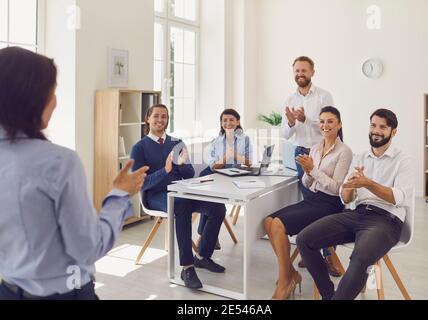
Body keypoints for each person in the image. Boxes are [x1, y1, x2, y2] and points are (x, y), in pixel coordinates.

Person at [0, 47, 148, 300]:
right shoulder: (58, 162)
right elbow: (87, 248)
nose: (55, 101)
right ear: (31, 98)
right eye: (53, 91)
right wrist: (119, 196)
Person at [297, 109, 414, 300]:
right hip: (357, 213)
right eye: (373, 125)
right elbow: (346, 198)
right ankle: (329, 296)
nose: (376, 130)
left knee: (360, 258)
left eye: (382, 127)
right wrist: (350, 187)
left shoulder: (403, 160)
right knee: (304, 240)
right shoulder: (360, 158)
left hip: (386, 220)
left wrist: (368, 183)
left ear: (393, 132)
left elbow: (399, 197)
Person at [130, 104, 226, 290]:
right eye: (156, 116)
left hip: (182, 190)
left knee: (217, 207)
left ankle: (202, 256)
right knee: (180, 204)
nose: (160, 120)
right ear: (148, 118)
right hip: (156, 195)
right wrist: (165, 171)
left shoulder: (177, 142)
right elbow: (139, 184)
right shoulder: (139, 147)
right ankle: (187, 267)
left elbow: (189, 173)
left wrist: (181, 165)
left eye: (164, 117)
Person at [264, 106, 352, 300]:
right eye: (322, 121)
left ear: (339, 124)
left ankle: (285, 281)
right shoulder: (315, 148)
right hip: (312, 199)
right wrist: (307, 172)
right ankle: (290, 275)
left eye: (330, 121)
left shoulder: (344, 152)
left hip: (330, 205)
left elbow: (336, 188)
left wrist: (313, 170)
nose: (325, 125)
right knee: (269, 221)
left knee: (277, 224)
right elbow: (307, 182)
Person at [280, 56, 340, 274]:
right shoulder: (289, 98)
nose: (300, 74)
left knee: (324, 203)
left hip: (324, 153)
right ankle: (310, 250)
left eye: (304, 70)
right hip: (301, 153)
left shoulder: (324, 95)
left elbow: (329, 126)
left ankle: (329, 255)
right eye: (296, 71)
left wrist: (307, 120)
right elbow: (285, 134)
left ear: (312, 72)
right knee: (309, 203)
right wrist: (290, 122)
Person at [196, 109, 253, 247]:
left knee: (214, 203)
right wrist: (225, 158)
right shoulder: (216, 141)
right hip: (213, 173)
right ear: (221, 123)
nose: (228, 123)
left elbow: (249, 162)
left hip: (232, 176)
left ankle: (208, 236)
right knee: (211, 201)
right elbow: (214, 166)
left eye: (232, 120)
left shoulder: (245, 139)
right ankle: (205, 236)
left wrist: (235, 156)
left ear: (238, 122)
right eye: (224, 120)